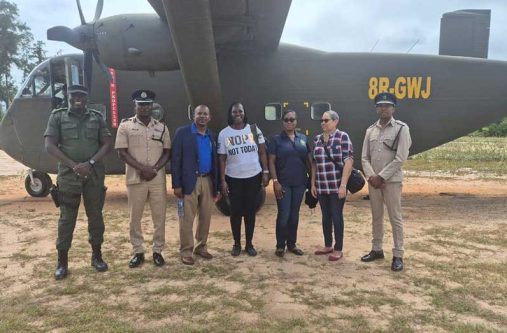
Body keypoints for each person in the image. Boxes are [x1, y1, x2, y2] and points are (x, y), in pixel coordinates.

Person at [44, 84, 112, 280]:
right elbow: (49, 145)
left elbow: (107, 143)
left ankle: (97, 257)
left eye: (82, 96)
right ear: (68, 96)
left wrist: (90, 163)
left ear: (87, 97)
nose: (78, 99)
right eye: (74, 96)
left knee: (96, 217)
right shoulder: (57, 116)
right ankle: (62, 262)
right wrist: (74, 165)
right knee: (66, 220)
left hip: (94, 175)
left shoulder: (96, 117)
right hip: (68, 176)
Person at [115, 90, 171, 268]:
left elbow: (167, 152)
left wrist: (153, 169)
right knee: (135, 217)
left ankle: (157, 251)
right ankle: (138, 251)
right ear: (135, 106)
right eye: (141, 104)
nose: (145, 107)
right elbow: (122, 153)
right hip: (136, 178)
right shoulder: (125, 126)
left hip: (156, 178)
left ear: (152, 106)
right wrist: (143, 169)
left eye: (147, 104)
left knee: (159, 216)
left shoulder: (162, 127)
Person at [360, 92, 412, 272]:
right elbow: (364, 157)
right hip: (373, 182)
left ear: (393, 108)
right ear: (376, 108)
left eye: (387, 105)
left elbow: (400, 158)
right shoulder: (370, 130)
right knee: (376, 217)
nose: (383, 108)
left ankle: (398, 254)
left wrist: (381, 177)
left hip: (391, 182)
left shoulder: (401, 129)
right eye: (380, 105)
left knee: (395, 218)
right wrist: (372, 177)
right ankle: (377, 249)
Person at [218, 102, 269, 257]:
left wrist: (266, 171)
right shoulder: (224, 134)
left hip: (253, 176)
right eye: (234, 111)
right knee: (235, 212)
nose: (237, 113)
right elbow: (222, 159)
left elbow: (262, 152)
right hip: (233, 178)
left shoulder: (253, 129)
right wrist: (223, 180)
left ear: (244, 113)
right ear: (230, 114)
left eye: (240, 111)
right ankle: (237, 244)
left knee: (250, 211)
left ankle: (249, 244)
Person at [171, 105, 219, 265]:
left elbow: (216, 162)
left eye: (205, 114)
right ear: (194, 116)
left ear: (209, 117)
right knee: (186, 218)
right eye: (199, 113)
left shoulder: (212, 136)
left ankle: (201, 246)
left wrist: (217, 185)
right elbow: (175, 159)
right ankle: (186, 250)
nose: (202, 116)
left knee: (205, 217)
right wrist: (176, 184)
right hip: (188, 182)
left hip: (207, 181)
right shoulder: (182, 133)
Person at [311, 110, 353, 262]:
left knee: (336, 216)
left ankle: (338, 248)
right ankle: (328, 245)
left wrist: (343, 185)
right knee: (325, 216)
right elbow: (314, 163)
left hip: (336, 186)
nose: (323, 123)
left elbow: (348, 161)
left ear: (335, 121)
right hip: (321, 186)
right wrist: (312, 184)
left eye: (326, 120)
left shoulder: (343, 137)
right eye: (321, 120)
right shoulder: (317, 139)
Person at [268, 110, 311, 257]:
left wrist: (312, 180)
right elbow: (271, 161)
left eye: (292, 119)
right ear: (282, 122)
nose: (289, 122)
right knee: (284, 214)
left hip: (299, 183)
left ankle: (292, 244)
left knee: (294, 215)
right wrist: (275, 181)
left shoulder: (303, 138)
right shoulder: (276, 140)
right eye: (286, 120)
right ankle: (280, 245)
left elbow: (308, 160)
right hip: (283, 183)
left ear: (296, 121)